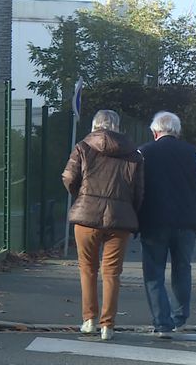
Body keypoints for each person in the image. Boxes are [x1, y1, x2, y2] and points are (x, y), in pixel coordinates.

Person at [62, 109, 144, 341]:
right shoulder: (134, 154)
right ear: (117, 126)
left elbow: (68, 177)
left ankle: (89, 320)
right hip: (120, 219)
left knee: (87, 269)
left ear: (94, 125)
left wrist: (82, 196)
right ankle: (108, 325)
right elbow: (139, 192)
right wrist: (130, 211)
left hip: (86, 217)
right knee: (112, 273)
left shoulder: (82, 147)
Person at [138, 111, 196, 338]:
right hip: (186, 222)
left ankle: (162, 323)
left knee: (154, 272)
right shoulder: (192, 154)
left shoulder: (143, 152)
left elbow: (136, 189)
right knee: (182, 269)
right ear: (177, 132)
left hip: (153, 221)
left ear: (155, 132)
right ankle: (179, 317)